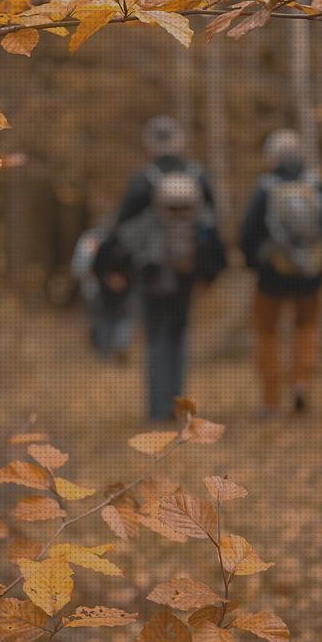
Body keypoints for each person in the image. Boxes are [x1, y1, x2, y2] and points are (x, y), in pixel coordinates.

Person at [96, 117, 226, 421]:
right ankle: (178, 406)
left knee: (155, 337)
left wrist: (110, 268)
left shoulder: (144, 181)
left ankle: (157, 408)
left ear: (149, 144)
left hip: (150, 274)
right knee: (179, 336)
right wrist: (210, 274)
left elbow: (119, 230)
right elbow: (213, 229)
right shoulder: (197, 177)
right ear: (180, 142)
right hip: (187, 272)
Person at [239, 129, 322, 416]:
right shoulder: (317, 185)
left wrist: (254, 263)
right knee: (306, 328)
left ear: (273, 157)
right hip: (310, 276)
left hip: (271, 276)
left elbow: (248, 234)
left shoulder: (266, 188)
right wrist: (318, 261)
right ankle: (301, 382)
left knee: (266, 333)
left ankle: (271, 400)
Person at [71, 224, 133, 361]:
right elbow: (79, 268)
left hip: (113, 290)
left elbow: (77, 269)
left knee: (115, 317)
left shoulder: (124, 239)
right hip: (96, 290)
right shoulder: (91, 241)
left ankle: (113, 350)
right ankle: (106, 351)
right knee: (104, 318)